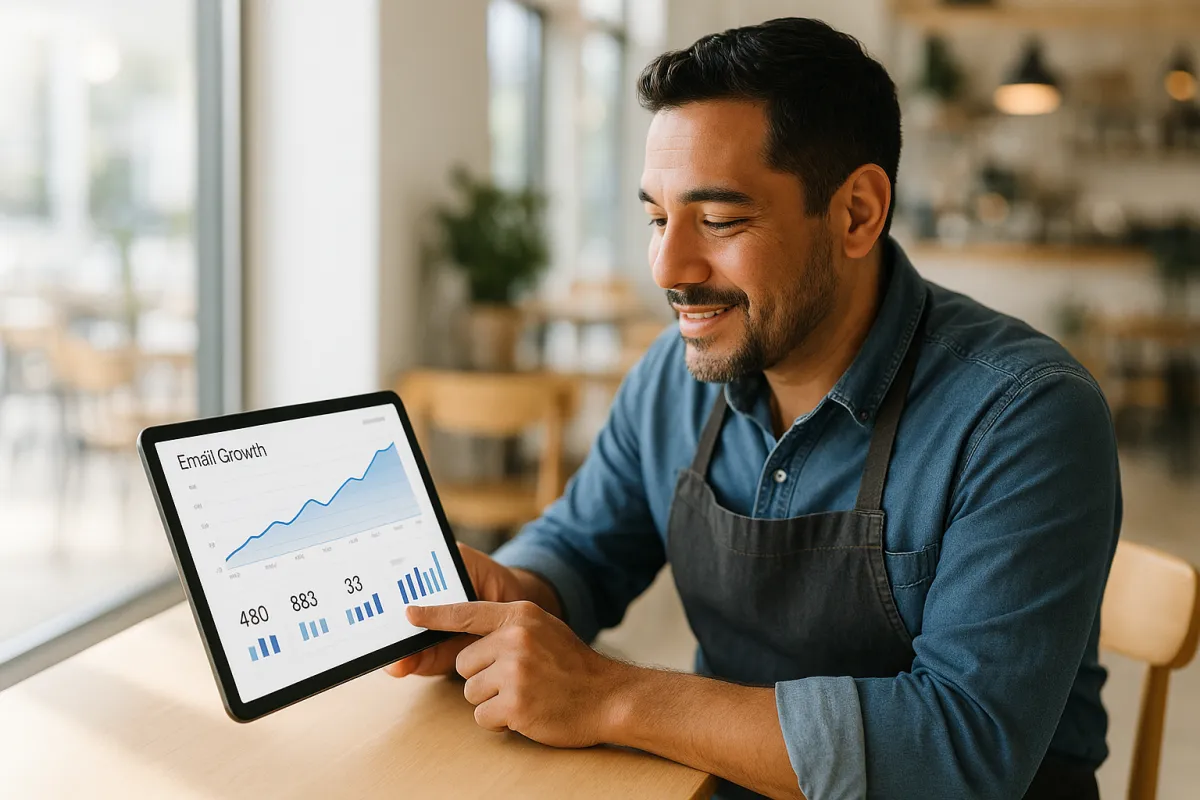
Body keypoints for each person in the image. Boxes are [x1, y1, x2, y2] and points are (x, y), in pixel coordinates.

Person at [387, 17, 1121, 800]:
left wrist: (610, 694)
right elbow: (586, 548)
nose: (669, 267)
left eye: (720, 220)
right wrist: (513, 597)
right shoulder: (673, 378)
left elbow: (958, 752)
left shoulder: (1022, 417)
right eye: (657, 219)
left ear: (857, 214)